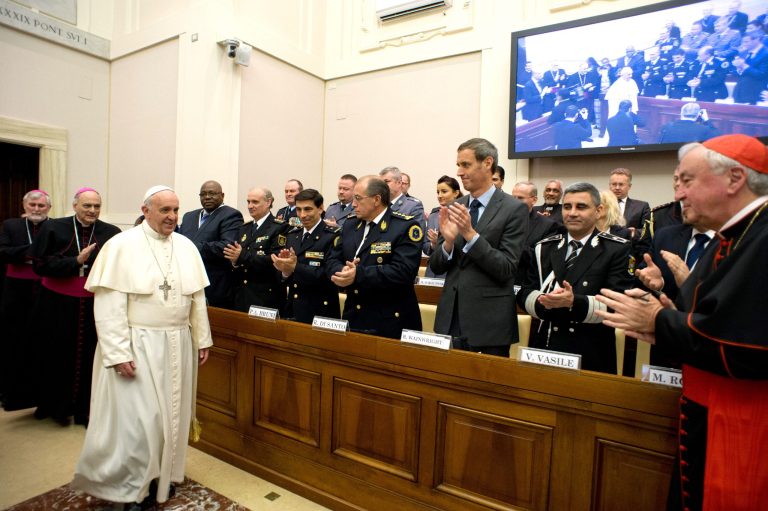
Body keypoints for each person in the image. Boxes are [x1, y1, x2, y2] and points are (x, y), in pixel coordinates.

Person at [596, 134, 768, 510]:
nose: (679, 194)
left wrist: (661, 322)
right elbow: (712, 319)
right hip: (712, 410)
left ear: (735, 179)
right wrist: (663, 318)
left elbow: (748, 346)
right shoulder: (732, 236)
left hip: (746, 425)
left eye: (687, 180)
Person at [71, 186, 212, 509]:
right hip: (138, 344)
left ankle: (161, 478)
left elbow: (197, 298)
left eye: (176, 210)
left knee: (171, 419)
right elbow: (109, 307)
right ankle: (130, 487)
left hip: (177, 344)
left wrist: (201, 338)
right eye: (165, 210)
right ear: (145, 210)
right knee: (138, 423)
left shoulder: (186, 246)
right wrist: (118, 352)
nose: (172, 217)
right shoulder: (121, 246)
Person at [517, 182, 634, 373]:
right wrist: (544, 301)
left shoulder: (616, 249)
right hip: (545, 347)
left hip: (590, 353)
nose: (572, 213)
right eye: (567, 206)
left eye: (581, 207)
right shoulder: (544, 247)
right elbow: (525, 292)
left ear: (598, 211)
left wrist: (573, 302)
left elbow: (618, 304)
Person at [29, 188, 121, 426]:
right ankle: (55, 406)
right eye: (87, 205)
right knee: (55, 354)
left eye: (97, 206)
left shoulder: (111, 233)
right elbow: (39, 265)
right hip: (56, 303)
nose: (92, 210)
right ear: (75, 205)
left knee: (91, 355)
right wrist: (75, 261)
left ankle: (86, 409)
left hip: (94, 304)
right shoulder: (53, 227)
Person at [429, 138, 528, 357]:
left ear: (487, 163)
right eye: (458, 165)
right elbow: (436, 266)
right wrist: (447, 243)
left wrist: (470, 235)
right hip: (450, 318)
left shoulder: (514, 209)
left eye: (466, 165)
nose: (459, 172)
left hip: (489, 323)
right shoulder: (455, 206)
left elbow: (506, 268)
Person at [327, 176, 423, 339]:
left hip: (390, 321)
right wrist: (341, 271)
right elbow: (332, 259)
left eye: (358, 198)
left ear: (376, 199)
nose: (353, 204)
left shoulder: (404, 226)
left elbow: (404, 271)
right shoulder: (350, 225)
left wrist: (358, 274)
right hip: (355, 315)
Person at [0, 190, 51, 411]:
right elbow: (3, 252)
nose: (36, 209)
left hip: (45, 289)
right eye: (33, 205)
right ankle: (10, 392)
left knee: (41, 341)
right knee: (13, 341)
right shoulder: (11, 225)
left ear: (49, 208)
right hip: (16, 291)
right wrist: (32, 251)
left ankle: (39, 393)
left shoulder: (54, 226)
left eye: (41, 206)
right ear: (25, 205)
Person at [272, 189, 340, 323]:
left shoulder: (332, 236)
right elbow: (284, 278)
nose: (302, 215)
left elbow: (330, 275)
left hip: (321, 311)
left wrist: (295, 267)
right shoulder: (292, 235)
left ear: (320, 208)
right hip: (294, 307)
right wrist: (285, 271)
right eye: (299, 209)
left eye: (308, 209)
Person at [179, 180, 243, 309]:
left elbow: (227, 246)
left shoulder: (231, 215)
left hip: (215, 285)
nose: (207, 197)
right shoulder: (189, 216)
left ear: (222, 195)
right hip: (187, 282)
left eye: (212, 193)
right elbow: (179, 242)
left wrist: (191, 247)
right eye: (203, 194)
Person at [224, 188, 289, 313]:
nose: (250, 206)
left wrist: (242, 256)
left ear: (268, 202)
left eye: (255, 202)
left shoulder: (280, 227)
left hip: (265, 296)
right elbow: (236, 259)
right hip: (241, 295)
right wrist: (234, 262)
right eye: (248, 202)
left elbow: (275, 260)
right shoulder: (244, 228)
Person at [512, 181, 559, 286]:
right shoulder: (502, 220)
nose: (515, 202)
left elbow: (540, 258)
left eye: (520, 198)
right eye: (513, 197)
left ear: (534, 200)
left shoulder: (547, 226)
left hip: (526, 284)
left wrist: (508, 245)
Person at [424, 175, 463, 277]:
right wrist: (433, 244)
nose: (439, 195)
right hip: (432, 273)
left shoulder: (462, 215)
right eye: (438, 192)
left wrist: (442, 242)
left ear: (456, 193)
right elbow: (425, 246)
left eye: (444, 191)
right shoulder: (433, 215)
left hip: (452, 272)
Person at [609, 168, 650, 234]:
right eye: (614, 184)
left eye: (621, 184)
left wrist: (633, 233)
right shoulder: (600, 206)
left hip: (630, 240)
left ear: (629, 186)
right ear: (609, 185)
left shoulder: (641, 207)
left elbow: (648, 231)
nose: (617, 188)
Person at [732, 33, 768, 104]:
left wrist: (744, 66)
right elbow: (738, 72)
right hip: (740, 92)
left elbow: (762, 74)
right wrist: (738, 68)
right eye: (743, 42)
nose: (744, 44)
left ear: (757, 40)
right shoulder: (743, 52)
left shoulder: (766, 53)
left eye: (746, 42)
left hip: (756, 94)